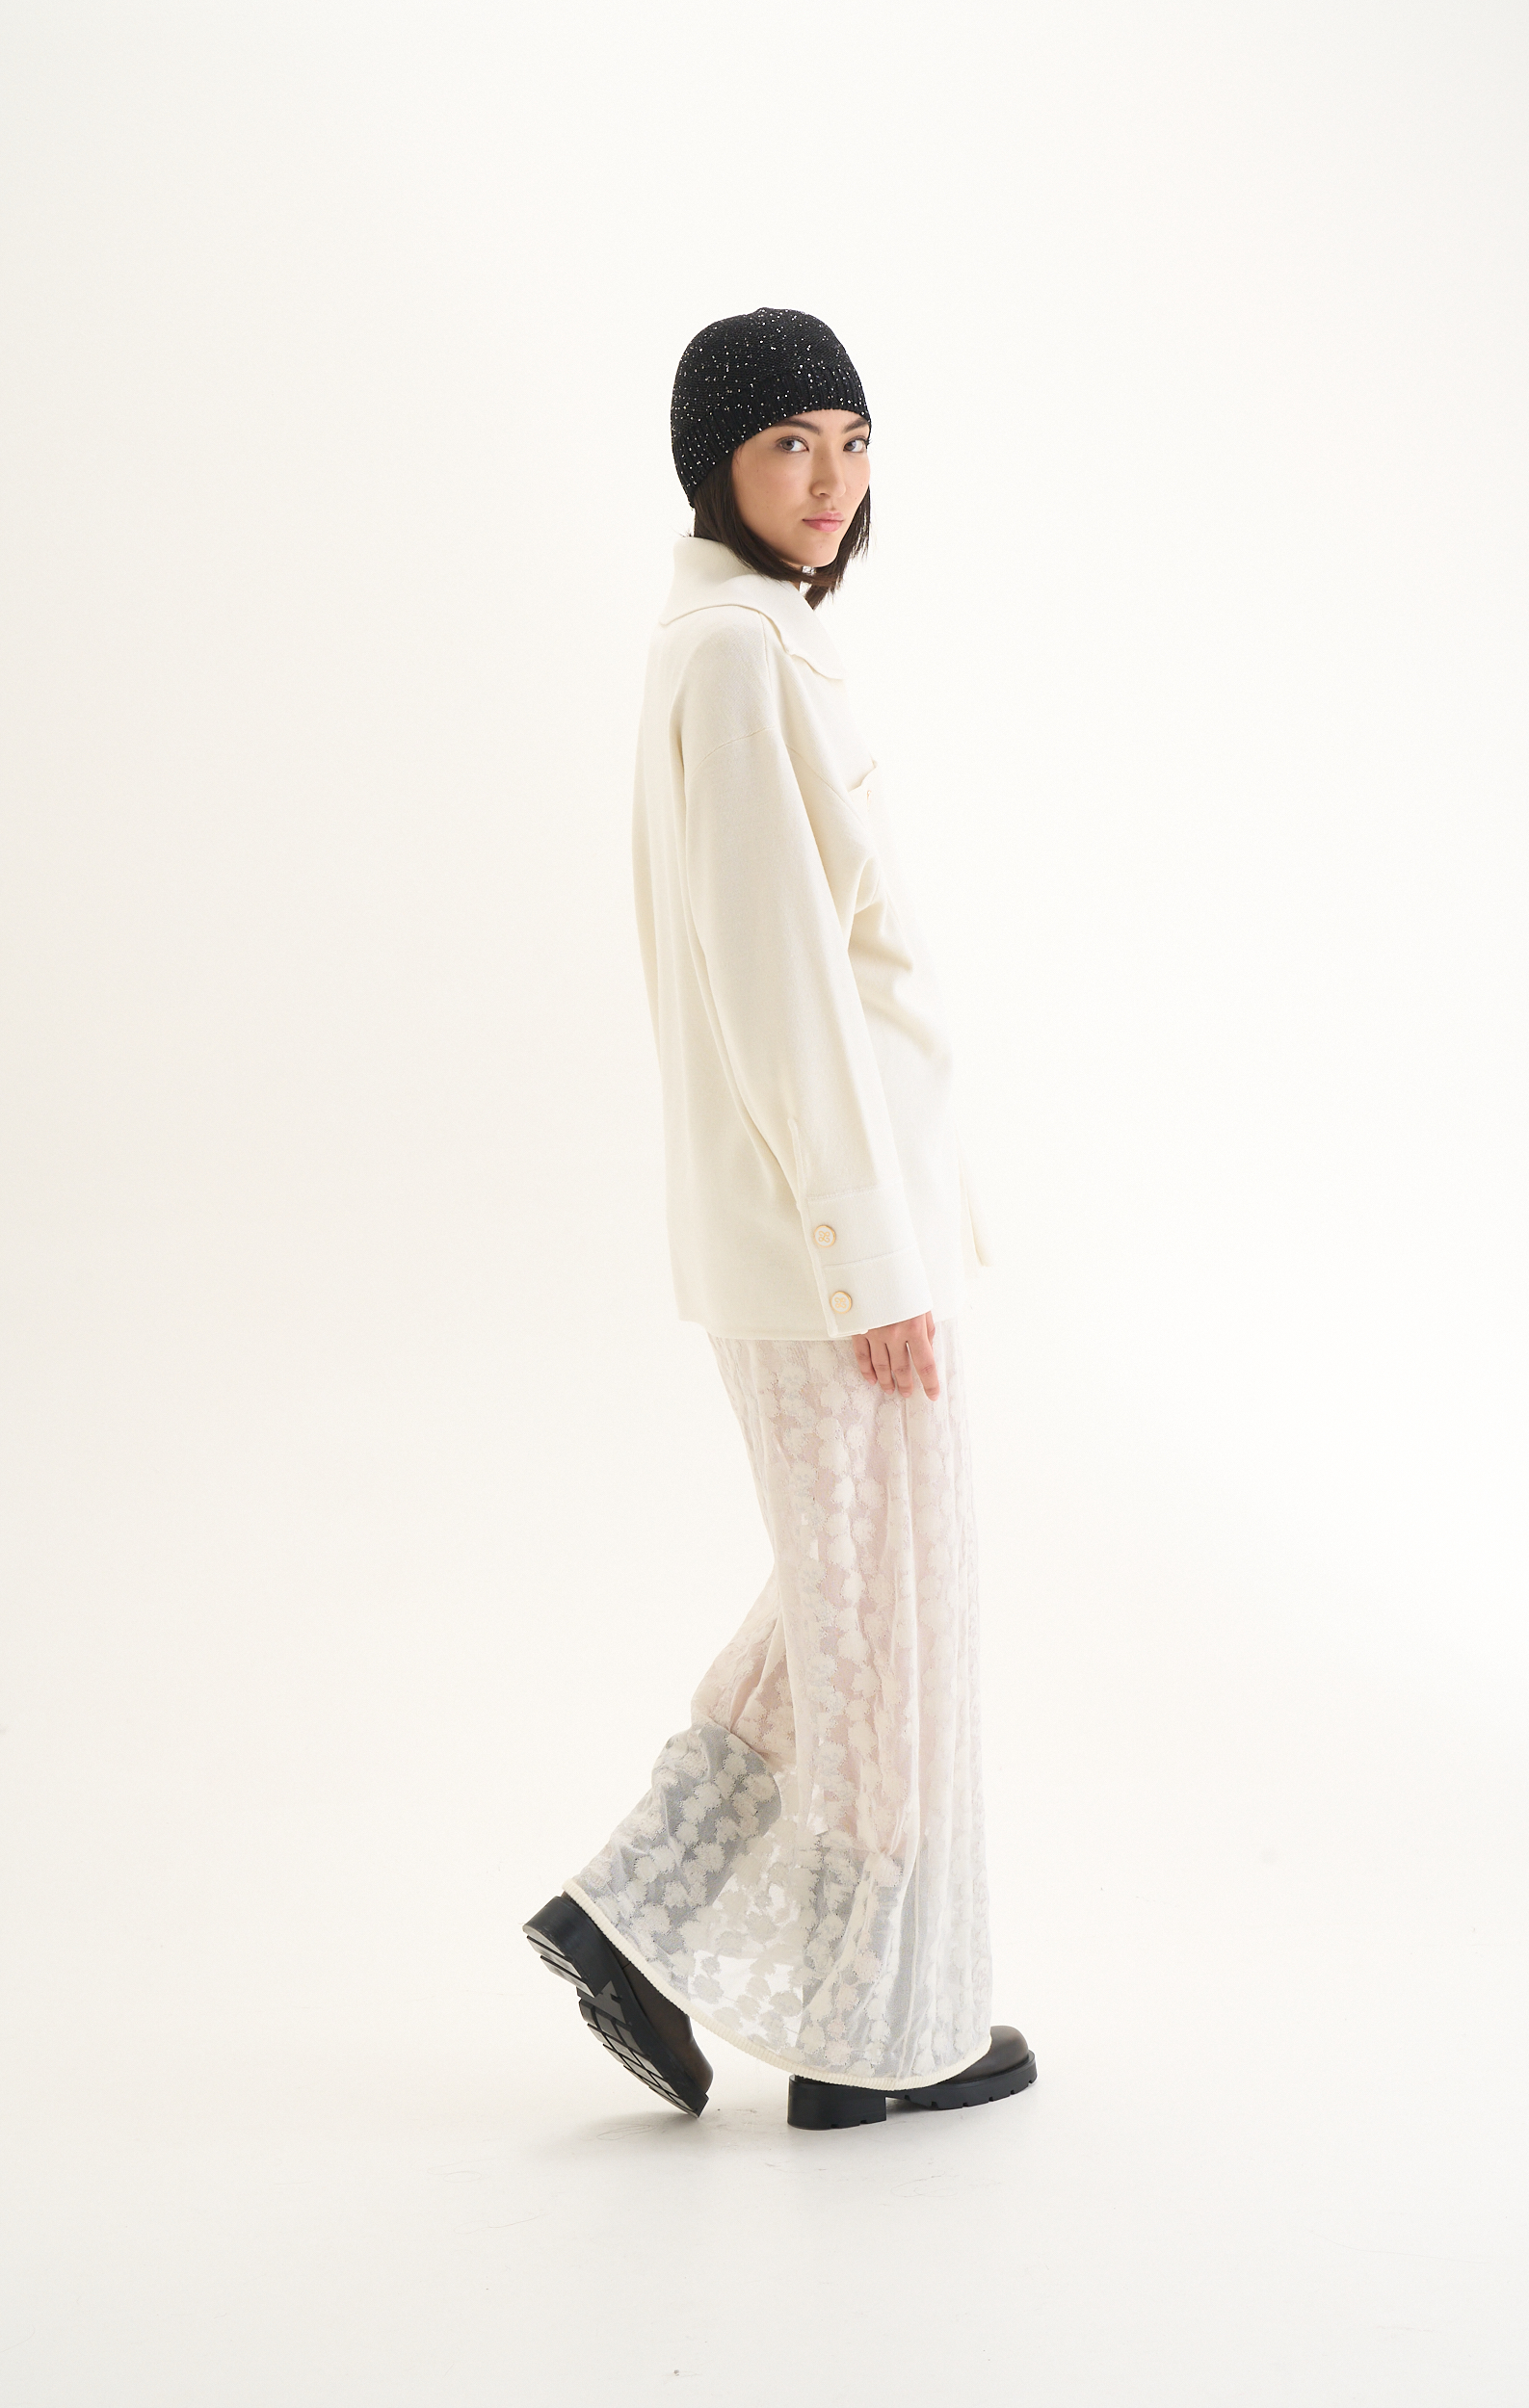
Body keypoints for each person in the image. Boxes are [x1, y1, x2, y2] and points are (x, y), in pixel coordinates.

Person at [523, 306, 1035, 2133]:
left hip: (848, 1227)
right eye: (786, 447)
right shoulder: (736, 655)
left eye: (850, 439)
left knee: (850, 1603)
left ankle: (634, 1919)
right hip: (830, 1246)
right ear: (713, 469)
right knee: (875, 1629)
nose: (829, 480)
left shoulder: (753, 640)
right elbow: (779, 984)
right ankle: (861, 2038)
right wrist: (866, 1261)